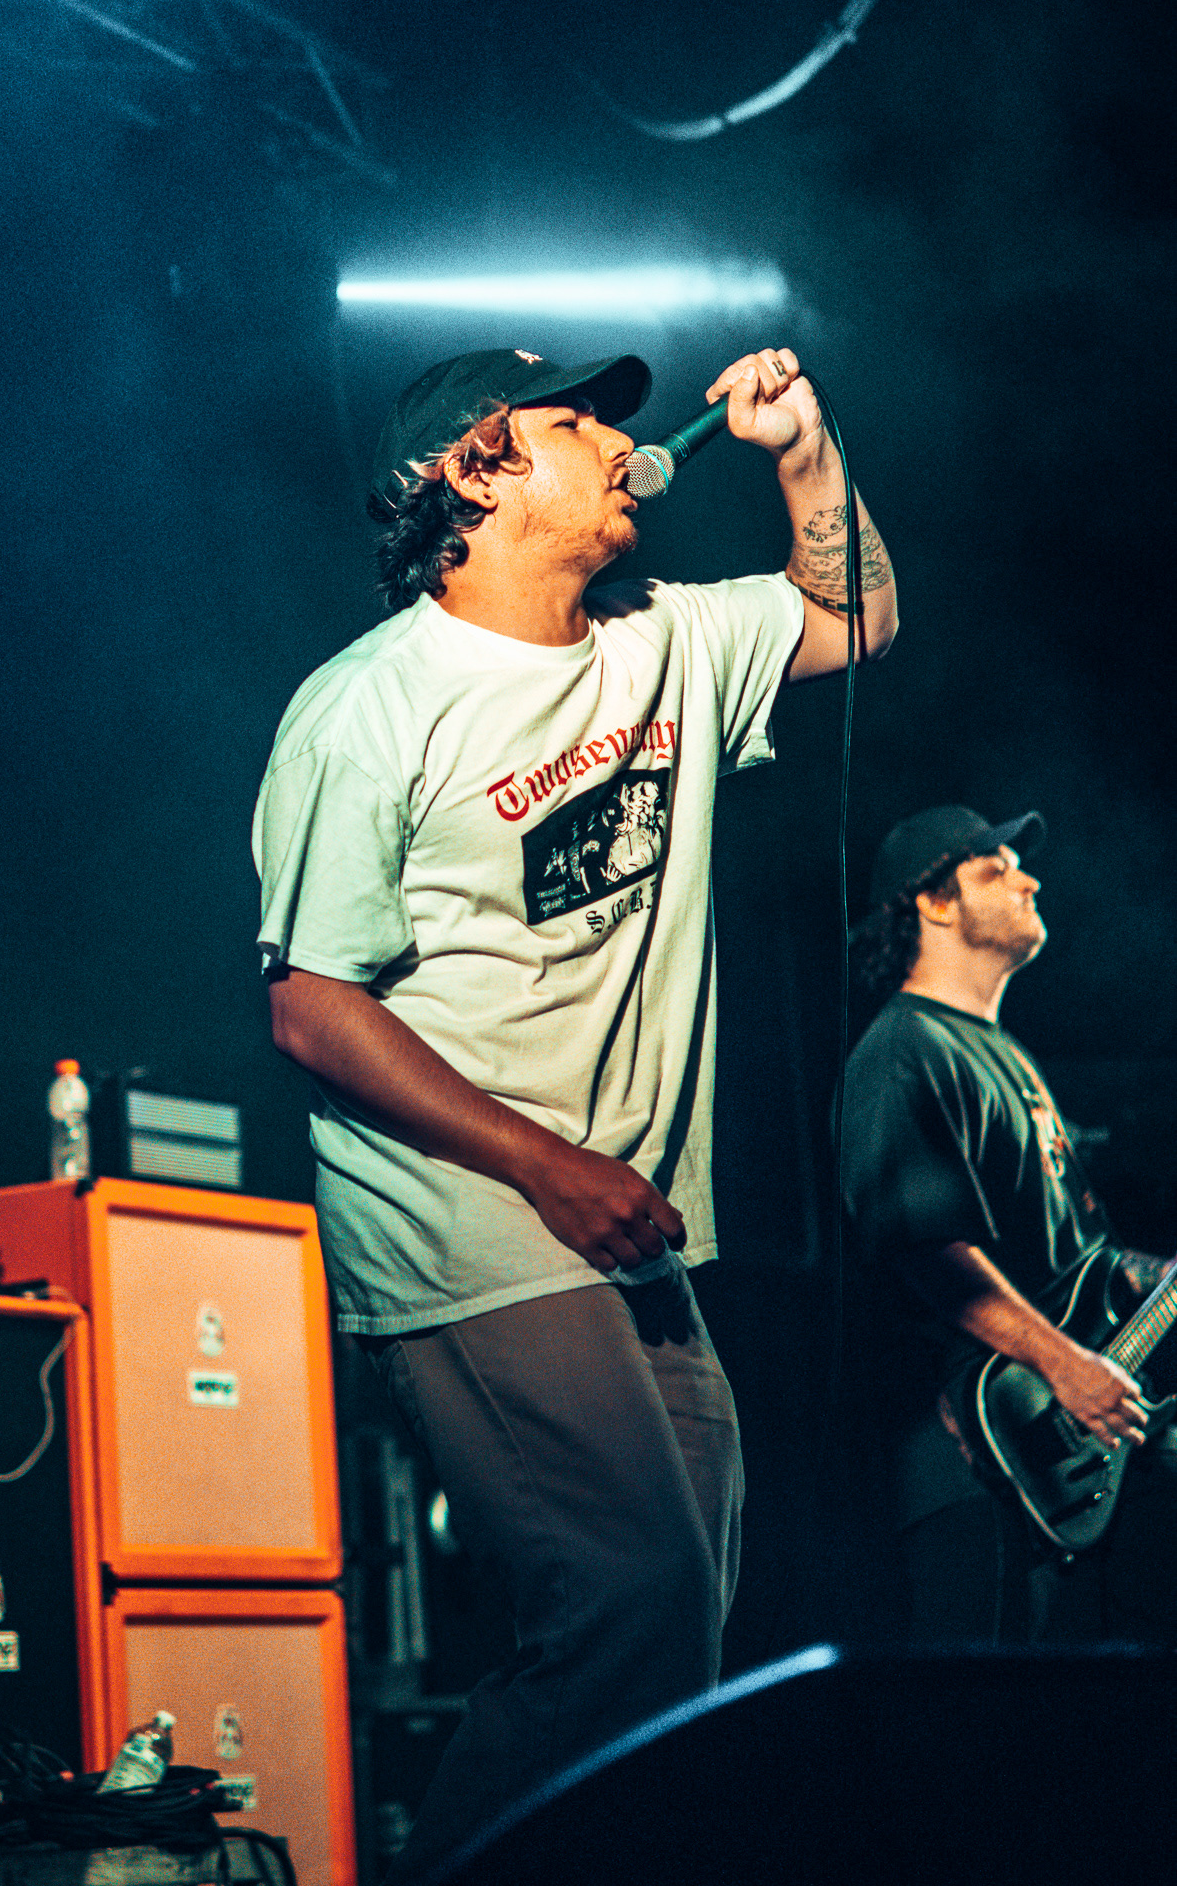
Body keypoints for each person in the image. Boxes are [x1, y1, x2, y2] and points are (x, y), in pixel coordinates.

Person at [252, 340, 896, 1878]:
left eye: (617, 425)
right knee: (625, 1604)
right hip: (473, 1215)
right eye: (573, 426)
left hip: (626, 1220)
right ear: (474, 472)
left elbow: (856, 618)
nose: (620, 447)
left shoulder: (667, 636)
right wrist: (547, 1166)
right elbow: (312, 1007)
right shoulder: (366, 710)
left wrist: (804, 453)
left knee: (675, 1639)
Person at [842, 805, 1177, 1645]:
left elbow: (1081, 1260)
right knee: (981, 1707)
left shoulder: (1006, 1054)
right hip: (973, 1457)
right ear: (932, 903)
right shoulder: (902, 1051)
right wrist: (1065, 1366)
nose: (1027, 880)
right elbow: (925, 1252)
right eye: (995, 870)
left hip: (1062, 1455)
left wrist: (1150, 1279)